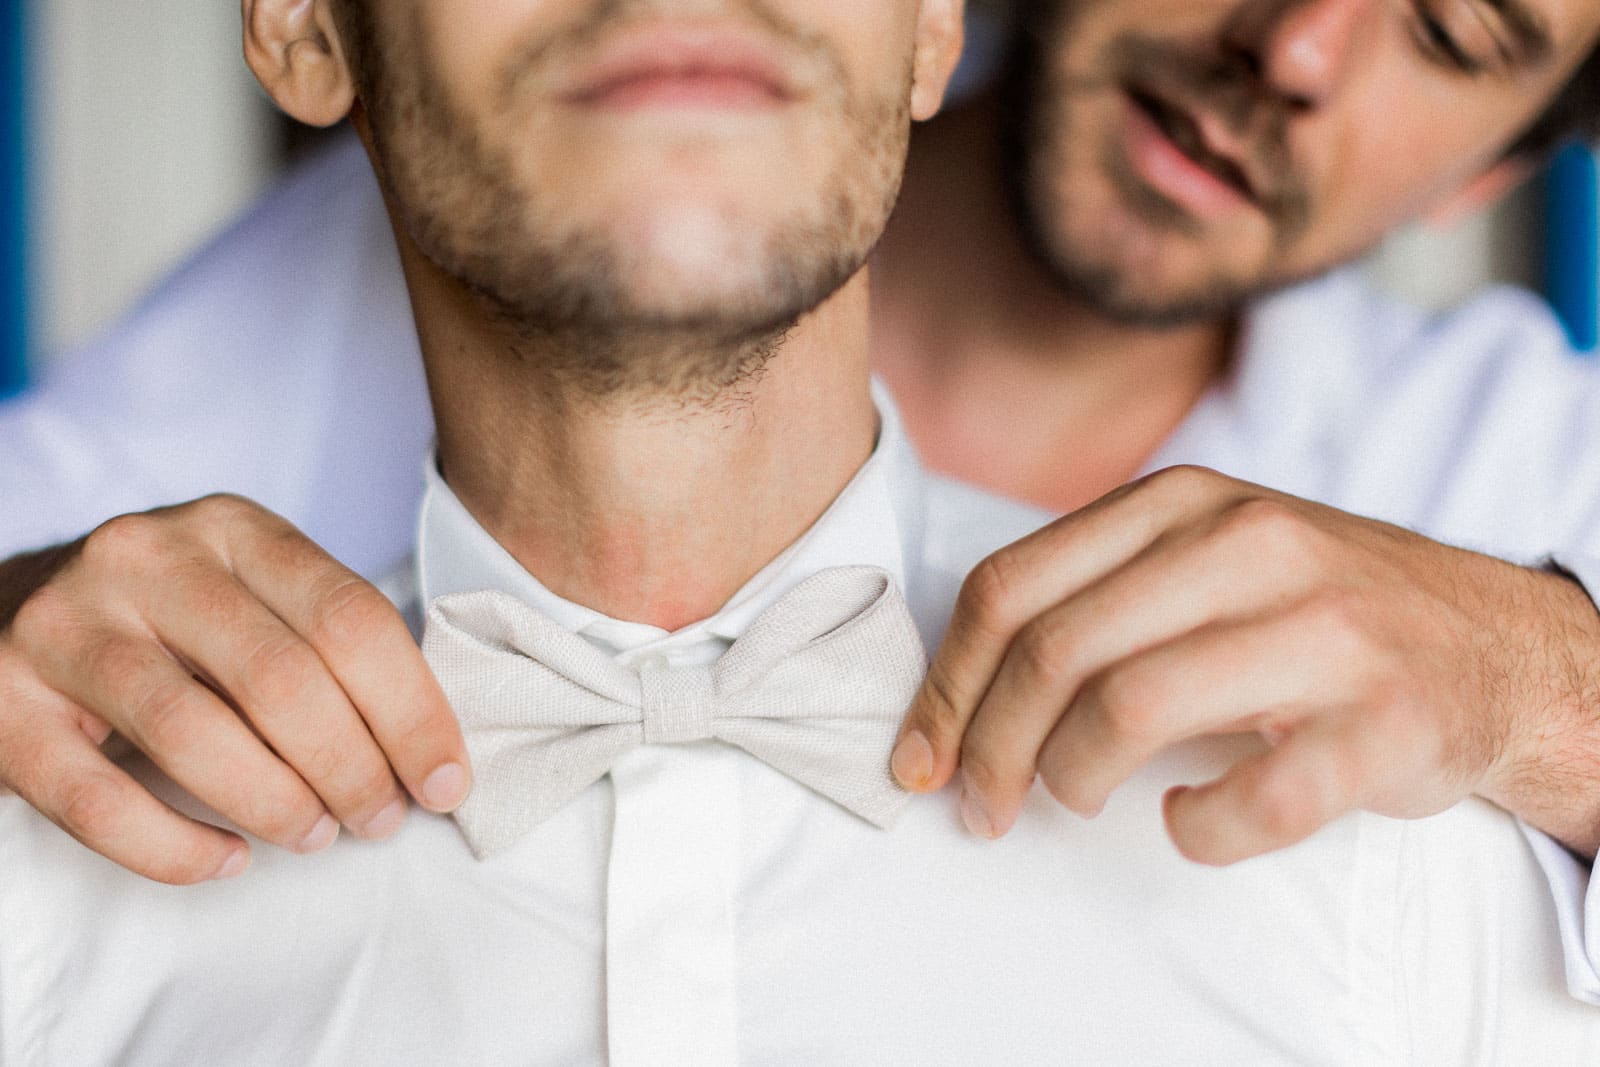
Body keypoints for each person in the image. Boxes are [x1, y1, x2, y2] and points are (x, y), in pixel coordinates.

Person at [5, 0, 1600, 1060]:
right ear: (301, 27)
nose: (1300, 41)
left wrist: (1542, 679)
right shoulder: (49, 894)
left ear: (928, 27)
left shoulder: (1417, 862)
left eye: (1454, 28)